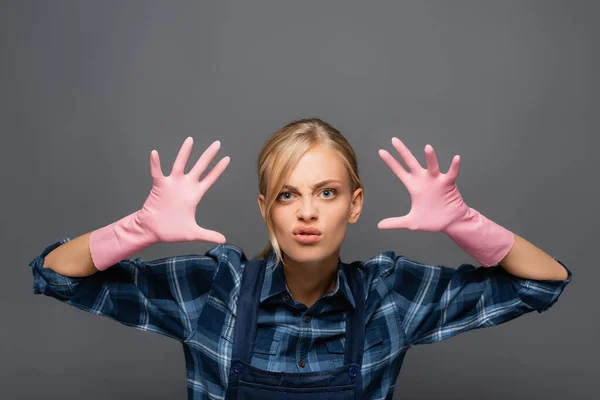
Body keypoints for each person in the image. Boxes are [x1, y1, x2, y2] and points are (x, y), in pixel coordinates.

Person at [30, 118, 572, 399]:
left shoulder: (390, 294)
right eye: (288, 195)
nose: (307, 212)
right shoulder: (214, 289)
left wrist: (463, 221)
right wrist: (138, 228)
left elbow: (543, 283)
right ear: (266, 208)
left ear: (355, 204)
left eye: (327, 193)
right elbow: (57, 276)